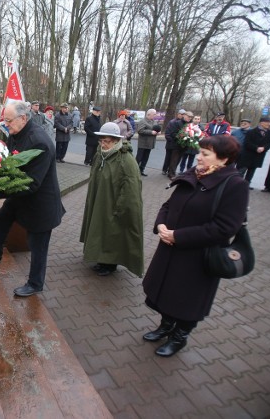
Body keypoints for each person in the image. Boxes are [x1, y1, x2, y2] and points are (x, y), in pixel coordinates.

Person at [142, 135, 249, 357]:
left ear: (224, 159)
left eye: (205, 154)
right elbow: (169, 204)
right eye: (199, 152)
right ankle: (166, 325)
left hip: (198, 257)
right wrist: (161, 224)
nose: (198, 157)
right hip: (170, 247)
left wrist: (178, 236)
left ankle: (179, 336)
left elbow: (224, 227)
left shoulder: (235, 185)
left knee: (187, 300)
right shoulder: (194, 174)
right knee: (166, 292)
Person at [0, 101, 65, 297]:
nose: (6, 125)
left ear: (23, 118)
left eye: (9, 121)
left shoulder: (40, 142)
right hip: (20, 195)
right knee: (1, 217)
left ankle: (35, 283)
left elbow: (32, 183)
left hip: (40, 203)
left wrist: (0, 185)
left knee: (37, 245)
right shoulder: (15, 132)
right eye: (4, 120)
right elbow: (8, 161)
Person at [80, 122, 144, 277]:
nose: (103, 144)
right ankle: (101, 259)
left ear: (116, 141)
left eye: (107, 141)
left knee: (112, 232)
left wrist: (121, 208)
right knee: (100, 229)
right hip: (100, 200)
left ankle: (110, 264)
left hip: (113, 204)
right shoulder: (100, 154)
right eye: (101, 141)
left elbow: (131, 188)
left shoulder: (126, 160)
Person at [237, 116, 270, 188]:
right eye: (267, 122)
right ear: (261, 123)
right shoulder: (251, 131)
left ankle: (247, 184)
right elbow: (247, 143)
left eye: (269, 122)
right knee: (242, 170)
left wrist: (264, 148)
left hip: (259, 155)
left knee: (252, 170)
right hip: (248, 154)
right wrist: (256, 148)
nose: (269, 124)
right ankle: (237, 184)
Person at [165, 111, 193, 179]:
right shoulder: (177, 123)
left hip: (184, 146)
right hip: (176, 145)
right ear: (184, 116)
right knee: (174, 160)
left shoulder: (190, 124)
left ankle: (172, 171)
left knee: (178, 160)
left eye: (191, 117)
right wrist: (181, 137)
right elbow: (173, 133)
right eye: (188, 116)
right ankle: (171, 174)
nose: (189, 118)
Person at [136, 109, 160, 176]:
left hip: (150, 143)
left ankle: (141, 170)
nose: (155, 115)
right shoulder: (143, 121)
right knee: (139, 158)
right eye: (154, 114)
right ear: (149, 114)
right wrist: (151, 132)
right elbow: (140, 131)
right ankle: (135, 171)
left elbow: (156, 128)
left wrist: (157, 132)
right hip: (143, 143)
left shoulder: (154, 121)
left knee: (145, 158)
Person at [162, 109, 186, 175]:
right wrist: (171, 141)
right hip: (171, 144)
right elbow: (167, 133)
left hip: (177, 145)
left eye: (184, 114)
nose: (182, 116)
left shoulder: (184, 123)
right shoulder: (172, 122)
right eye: (181, 114)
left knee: (175, 160)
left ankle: (171, 170)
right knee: (168, 158)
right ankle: (164, 169)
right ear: (178, 114)